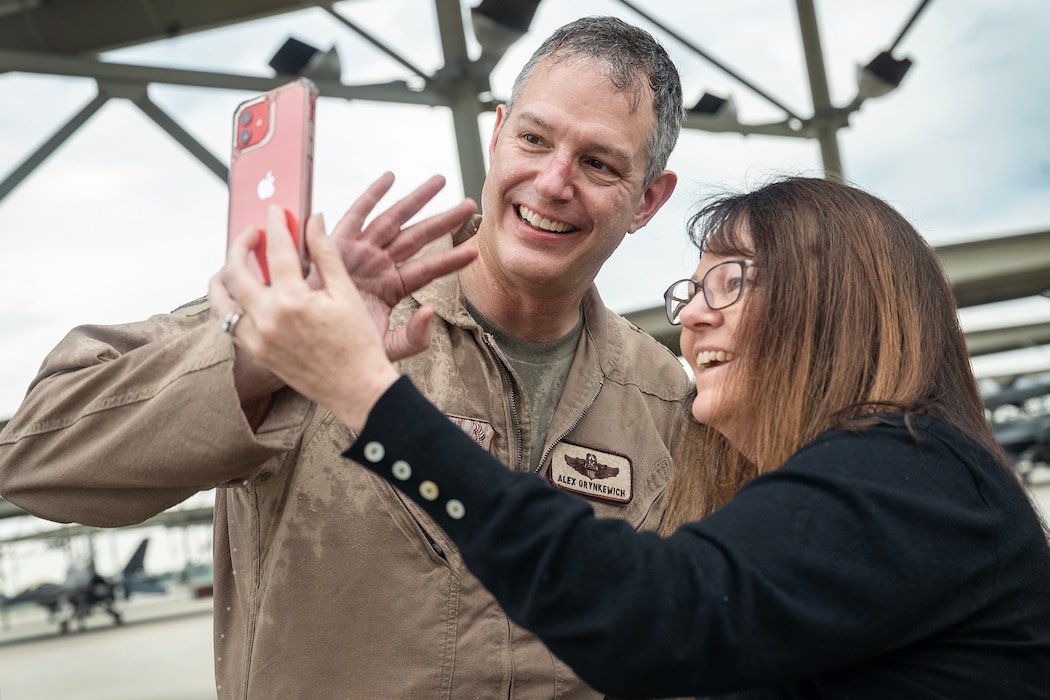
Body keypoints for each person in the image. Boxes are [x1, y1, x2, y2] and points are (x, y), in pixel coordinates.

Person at [0, 15, 693, 699]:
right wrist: (264, 357)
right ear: (497, 133)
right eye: (534, 139)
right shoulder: (317, 307)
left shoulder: (665, 399)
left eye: (598, 163)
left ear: (648, 200)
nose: (551, 182)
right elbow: (32, 457)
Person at [215, 175, 1050, 699]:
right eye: (693, 284)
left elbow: (653, 615)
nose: (690, 314)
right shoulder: (909, 478)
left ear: (837, 301)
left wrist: (367, 394)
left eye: (731, 278)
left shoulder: (907, 472)